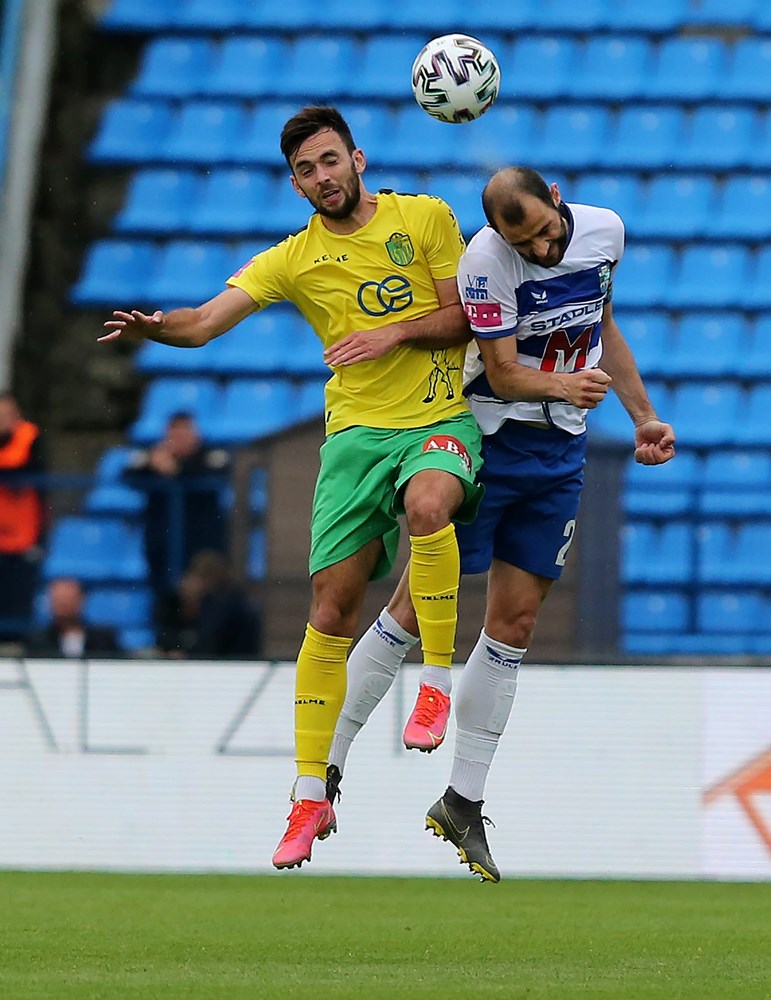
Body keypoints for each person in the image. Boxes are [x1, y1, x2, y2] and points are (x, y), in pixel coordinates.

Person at [100, 106, 484, 870]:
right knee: (328, 610)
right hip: (352, 440)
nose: (321, 177)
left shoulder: (426, 218)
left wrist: (394, 332)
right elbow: (204, 322)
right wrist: (157, 327)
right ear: (295, 183)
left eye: (329, 160)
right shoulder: (293, 259)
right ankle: (311, 795)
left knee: (429, 505)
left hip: (438, 419)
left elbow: (465, 318)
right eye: (306, 170)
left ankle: (435, 684)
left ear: (357, 158)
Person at [325, 166, 677, 882]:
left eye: (545, 235)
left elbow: (601, 327)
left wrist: (643, 417)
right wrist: (561, 384)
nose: (541, 252)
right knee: (416, 610)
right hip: (489, 441)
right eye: (525, 243)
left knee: (514, 624)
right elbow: (500, 369)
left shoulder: (605, 230)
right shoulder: (485, 259)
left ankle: (462, 799)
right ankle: (321, 764)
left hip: (560, 452)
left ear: (558, 200)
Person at [123, 411, 230, 600]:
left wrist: (177, 470)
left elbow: (221, 471)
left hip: (201, 548)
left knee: (208, 603)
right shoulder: (152, 457)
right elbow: (127, 474)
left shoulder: (211, 455)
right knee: (164, 608)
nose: (179, 440)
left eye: (184, 433)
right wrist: (154, 465)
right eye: (174, 435)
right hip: (162, 549)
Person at [156, 550, 262, 659]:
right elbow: (166, 637)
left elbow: (211, 642)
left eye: (201, 577)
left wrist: (187, 654)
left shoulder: (229, 606)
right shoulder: (175, 605)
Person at [0, 391, 45, 641]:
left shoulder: (30, 439)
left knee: (18, 600)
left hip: (22, 540)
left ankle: (17, 644)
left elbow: (25, 466)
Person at [25, 577, 120, 658]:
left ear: (82, 600)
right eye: (58, 601)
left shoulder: (103, 639)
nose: (63, 606)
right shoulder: (39, 641)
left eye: (68, 600)